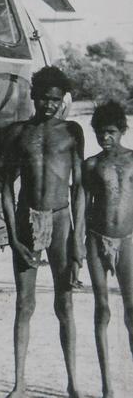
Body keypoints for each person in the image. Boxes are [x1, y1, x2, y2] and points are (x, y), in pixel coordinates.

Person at [1, 66, 85, 398]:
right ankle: (19, 384)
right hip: (26, 220)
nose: (48, 105)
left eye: (54, 99)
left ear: (61, 100)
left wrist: (77, 239)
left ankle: (73, 382)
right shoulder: (17, 133)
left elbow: (79, 187)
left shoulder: (71, 132)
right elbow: (6, 188)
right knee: (24, 304)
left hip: (62, 218)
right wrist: (12, 236)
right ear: (34, 96)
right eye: (43, 98)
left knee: (65, 304)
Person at [83, 100, 133, 398]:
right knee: (101, 309)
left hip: (128, 238)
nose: (106, 138)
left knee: (132, 309)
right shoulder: (91, 164)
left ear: (123, 130)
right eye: (101, 133)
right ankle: (107, 387)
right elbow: (83, 203)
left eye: (112, 132)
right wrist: (79, 242)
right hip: (97, 238)